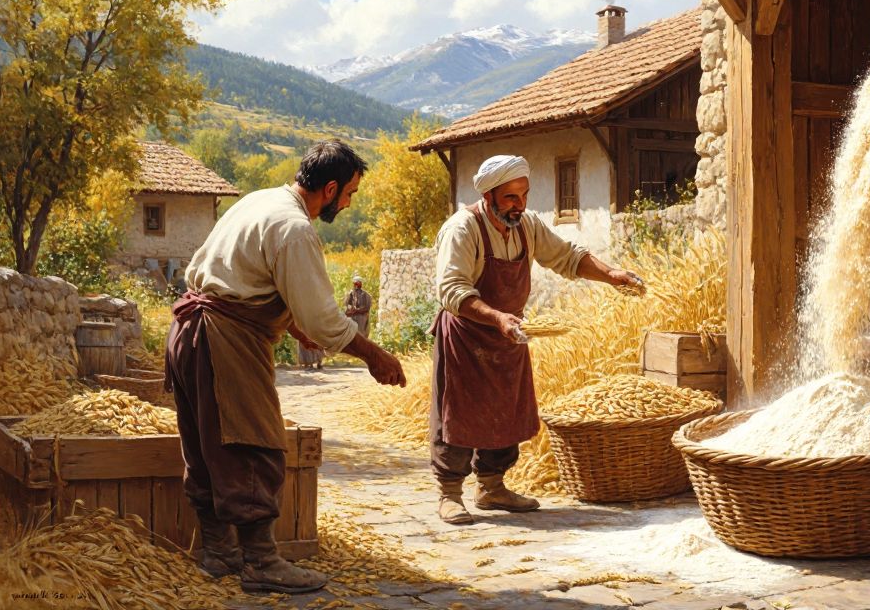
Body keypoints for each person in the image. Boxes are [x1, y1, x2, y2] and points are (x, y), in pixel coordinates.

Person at [165, 140, 407, 594]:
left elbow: (242, 275)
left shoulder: (260, 200)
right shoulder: (295, 228)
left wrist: (292, 327)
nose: (350, 204)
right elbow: (324, 318)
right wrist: (375, 355)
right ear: (330, 188)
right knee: (253, 444)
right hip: (223, 339)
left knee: (204, 445)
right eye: (350, 194)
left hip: (188, 332)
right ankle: (260, 561)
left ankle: (218, 553)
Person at [431, 155, 644, 525]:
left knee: (506, 411)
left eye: (524, 195)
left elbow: (568, 257)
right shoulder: (463, 229)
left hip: (507, 336)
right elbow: (451, 290)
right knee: (458, 414)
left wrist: (612, 274)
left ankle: (492, 487)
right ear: (490, 194)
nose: (520, 204)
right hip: (467, 338)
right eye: (511, 197)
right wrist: (497, 317)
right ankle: (450, 493)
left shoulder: (527, 227)